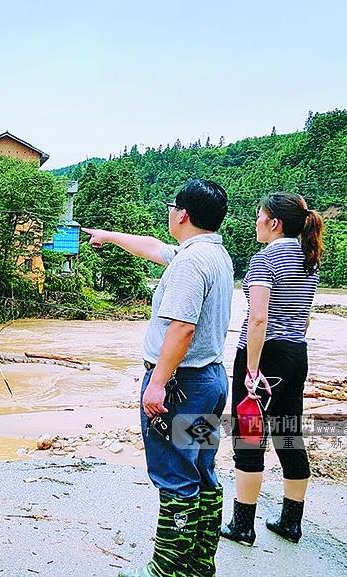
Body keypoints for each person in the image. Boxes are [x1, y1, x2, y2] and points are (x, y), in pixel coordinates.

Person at [83, 178, 234, 577]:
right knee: (201, 470)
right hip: (210, 380)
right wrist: (108, 235)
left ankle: (166, 570)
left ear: (182, 214)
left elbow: (181, 329)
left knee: (175, 475)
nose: (169, 212)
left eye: (172, 206)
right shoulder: (213, 253)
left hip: (181, 387)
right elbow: (153, 247)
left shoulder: (190, 263)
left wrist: (157, 383)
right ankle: (199, 564)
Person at [220, 192, 324, 546]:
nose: (256, 223)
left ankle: (242, 526)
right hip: (296, 354)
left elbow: (259, 318)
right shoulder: (309, 259)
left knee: (249, 437)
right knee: (288, 433)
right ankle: (291, 523)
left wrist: (251, 368)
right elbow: (305, 316)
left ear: (274, 223)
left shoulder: (265, 259)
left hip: (263, 356)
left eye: (259, 216)